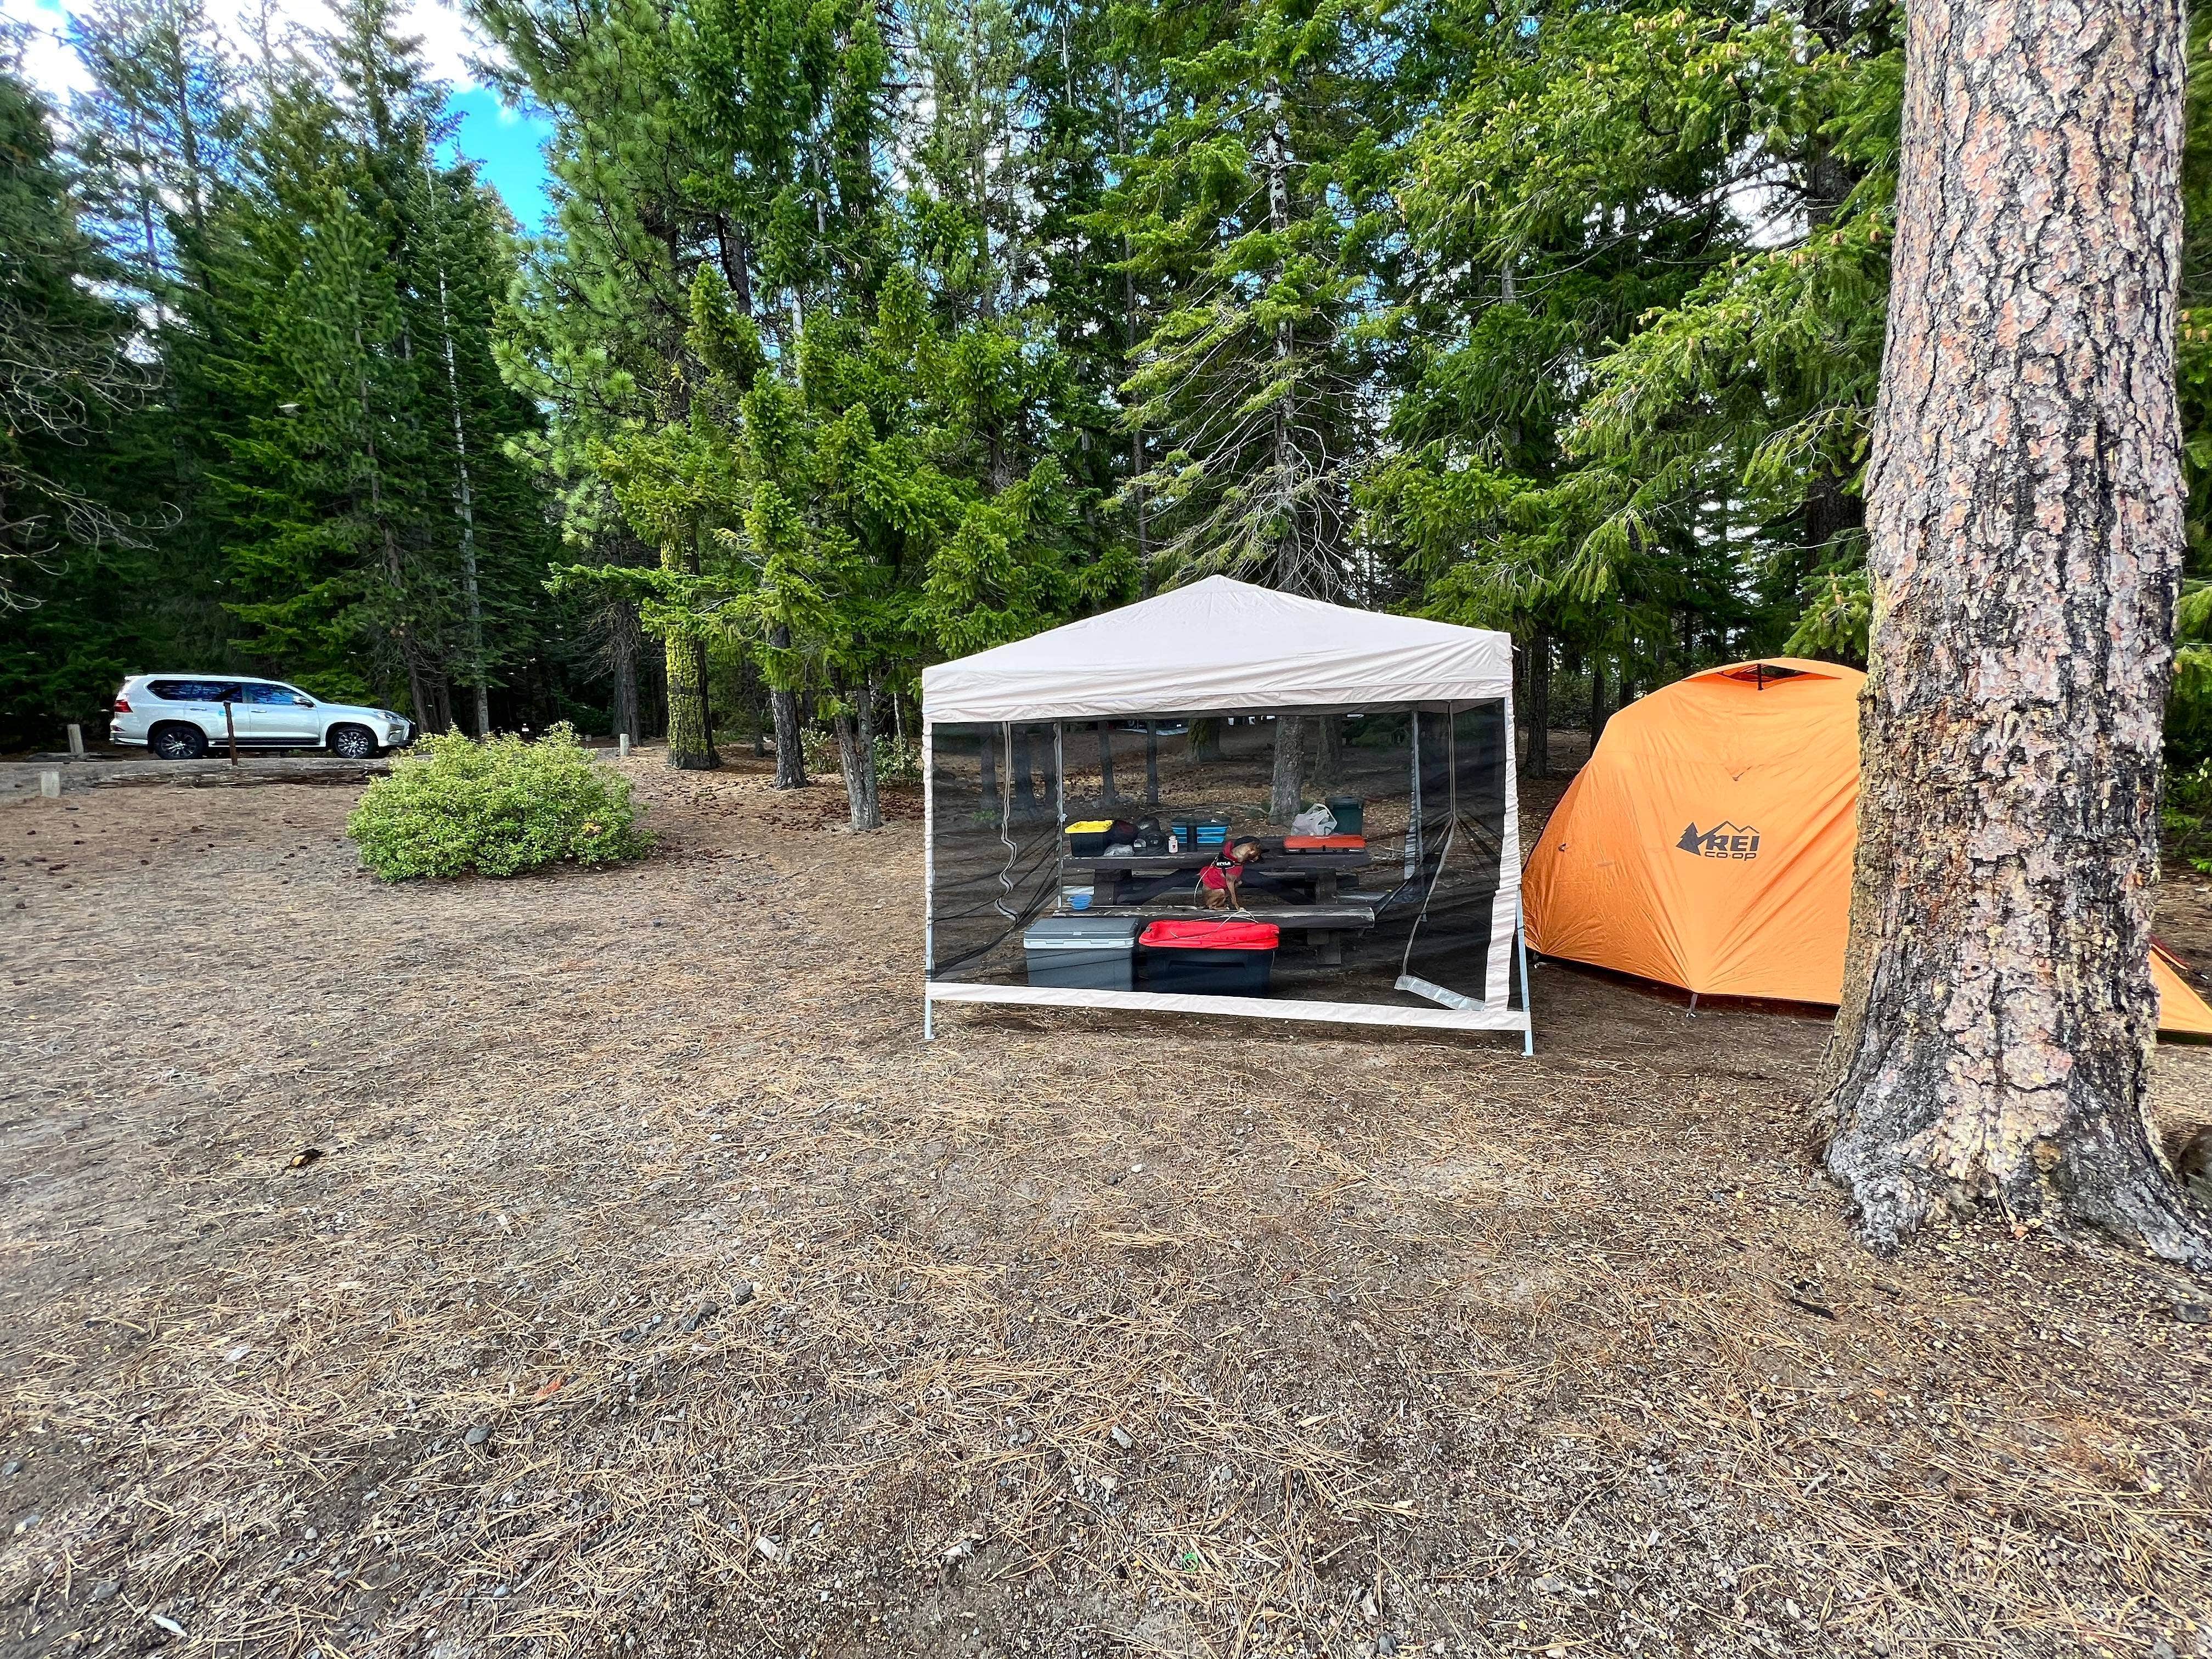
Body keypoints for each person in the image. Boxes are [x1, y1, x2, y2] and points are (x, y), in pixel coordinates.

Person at [1198, 839, 1263, 910]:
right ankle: (1215, 905)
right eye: (1257, 855)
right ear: (1251, 851)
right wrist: (1236, 905)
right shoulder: (1232, 863)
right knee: (1224, 889)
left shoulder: (1235, 860)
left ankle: (1219, 904)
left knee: (1238, 883)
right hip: (1213, 892)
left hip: (1217, 890)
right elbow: (1230, 883)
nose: (1257, 858)